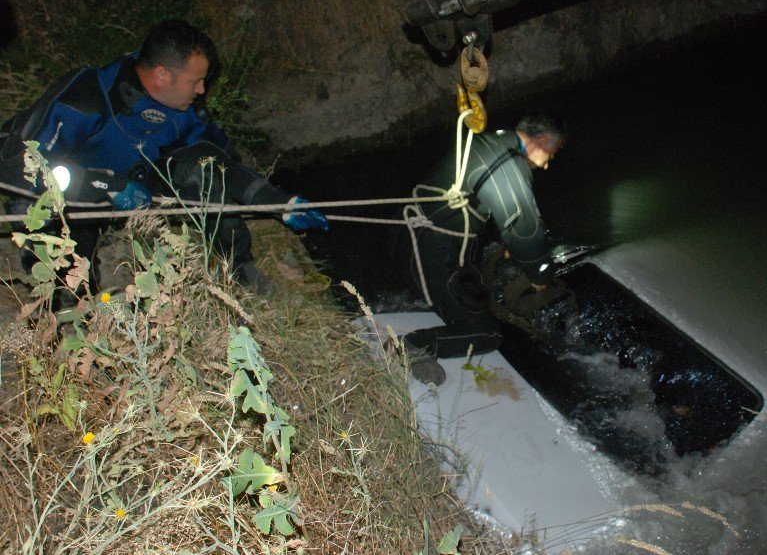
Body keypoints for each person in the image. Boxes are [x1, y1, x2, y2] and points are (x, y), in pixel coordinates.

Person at [0, 19, 328, 296]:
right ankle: (72, 304)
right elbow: (20, 169)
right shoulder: (84, 98)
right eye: (196, 80)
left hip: (137, 191)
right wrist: (106, 185)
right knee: (75, 289)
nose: (202, 89)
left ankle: (238, 268)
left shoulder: (184, 109)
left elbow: (220, 164)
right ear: (161, 75)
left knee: (204, 166)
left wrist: (281, 202)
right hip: (73, 200)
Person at [391, 111, 566, 384]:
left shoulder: (490, 142)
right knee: (487, 333)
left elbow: (489, 203)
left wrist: (505, 244)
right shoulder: (508, 166)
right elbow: (526, 230)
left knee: (479, 284)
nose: (547, 165)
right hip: (426, 253)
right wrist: (540, 276)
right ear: (542, 141)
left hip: (406, 233)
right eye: (552, 155)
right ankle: (413, 345)